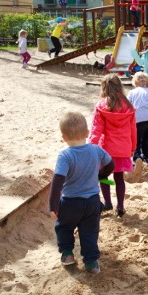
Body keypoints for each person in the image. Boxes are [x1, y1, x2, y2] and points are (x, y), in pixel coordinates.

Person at [49, 112, 115, 274]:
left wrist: (53, 205)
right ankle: (91, 262)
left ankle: (68, 255)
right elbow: (111, 165)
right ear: (87, 133)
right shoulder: (96, 150)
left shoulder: (65, 155)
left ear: (64, 138)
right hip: (92, 202)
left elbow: (57, 181)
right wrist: (100, 176)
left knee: (64, 227)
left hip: (71, 202)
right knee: (89, 232)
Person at [88, 74, 137, 218]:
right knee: (119, 177)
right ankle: (120, 206)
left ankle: (108, 203)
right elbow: (133, 130)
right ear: (120, 86)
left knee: (103, 176)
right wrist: (133, 147)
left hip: (106, 149)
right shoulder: (128, 106)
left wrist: (91, 147)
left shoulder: (102, 105)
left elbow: (96, 129)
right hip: (123, 148)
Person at [127, 72, 148, 168]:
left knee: (136, 138)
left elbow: (127, 105)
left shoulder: (132, 92)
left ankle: (137, 157)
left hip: (137, 118)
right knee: (146, 137)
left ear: (135, 83)